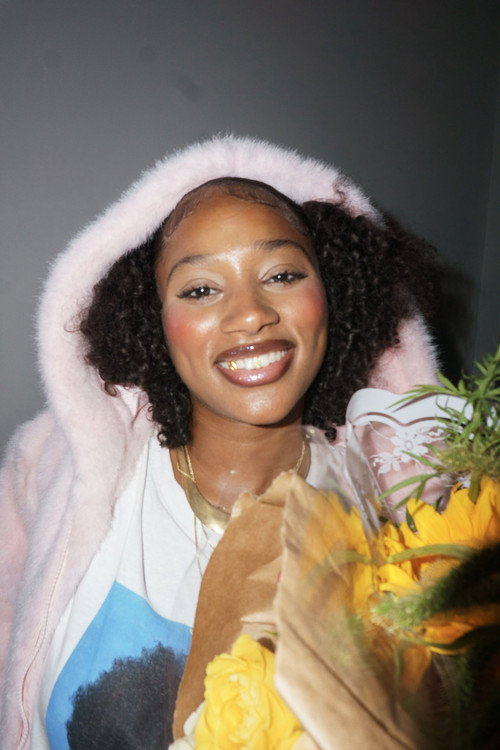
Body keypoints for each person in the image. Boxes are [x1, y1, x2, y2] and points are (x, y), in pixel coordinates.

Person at [0, 136, 439, 749]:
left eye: (282, 275)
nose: (251, 313)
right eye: (201, 289)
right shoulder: (48, 471)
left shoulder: (402, 519)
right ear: (152, 319)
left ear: (334, 293)